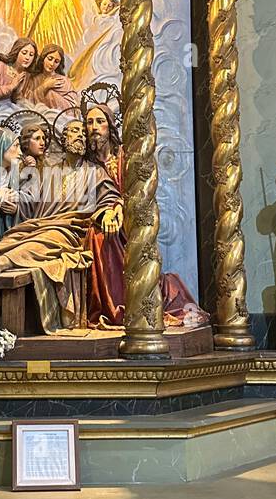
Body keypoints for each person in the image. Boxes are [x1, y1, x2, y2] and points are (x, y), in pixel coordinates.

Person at [0, 119, 119, 332]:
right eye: (73, 131)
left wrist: (109, 213)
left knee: (40, 243)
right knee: (14, 236)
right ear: (64, 139)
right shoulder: (48, 172)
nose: (79, 135)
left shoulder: (95, 172)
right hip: (38, 224)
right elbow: (29, 199)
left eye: (82, 132)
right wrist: (14, 202)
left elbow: (110, 197)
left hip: (69, 228)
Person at [83, 101, 207, 329]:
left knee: (112, 234)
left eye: (100, 121)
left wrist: (119, 207)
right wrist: (105, 212)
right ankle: (112, 305)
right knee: (98, 235)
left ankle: (132, 301)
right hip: (100, 218)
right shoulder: (85, 164)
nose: (94, 127)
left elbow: (138, 188)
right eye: (89, 122)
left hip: (130, 216)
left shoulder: (125, 155)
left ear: (110, 126)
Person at [20, 44, 80, 112]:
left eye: (56, 61)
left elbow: (74, 106)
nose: (52, 64)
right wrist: (44, 86)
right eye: (50, 59)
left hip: (60, 116)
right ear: (43, 58)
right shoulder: (34, 79)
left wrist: (51, 96)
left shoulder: (64, 81)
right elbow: (27, 101)